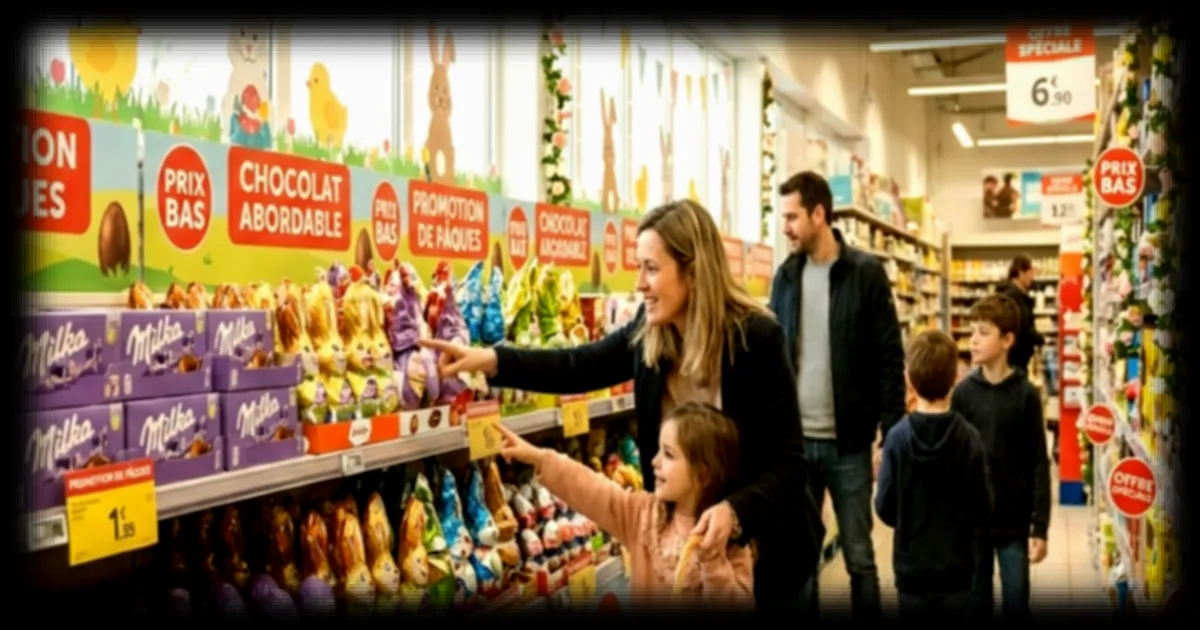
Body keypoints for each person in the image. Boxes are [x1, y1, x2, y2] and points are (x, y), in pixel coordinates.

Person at [421, 199, 824, 613]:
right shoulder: (650, 335)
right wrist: (493, 360)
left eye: (652, 268)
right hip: (681, 555)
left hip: (765, 555)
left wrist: (734, 512)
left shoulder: (756, 341)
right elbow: (579, 365)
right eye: (638, 267)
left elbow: (789, 466)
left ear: (694, 271)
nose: (639, 284)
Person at [769, 171, 906, 621]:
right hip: (794, 447)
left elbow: (890, 357)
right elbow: (775, 356)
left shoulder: (866, 274)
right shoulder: (785, 277)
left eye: (792, 216)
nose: (785, 226)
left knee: (860, 559)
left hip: (848, 444)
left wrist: (890, 433)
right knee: (798, 561)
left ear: (819, 214)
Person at [495, 402, 754, 607]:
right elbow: (593, 489)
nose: (654, 462)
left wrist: (712, 561)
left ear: (703, 474)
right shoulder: (644, 516)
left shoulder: (730, 544)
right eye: (658, 450)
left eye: (669, 454)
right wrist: (540, 458)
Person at [875, 330, 993, 620]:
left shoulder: (897, 438)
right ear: (955, 378)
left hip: (912, 570)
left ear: (909, 380)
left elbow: (885, 506)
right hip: (957, 569)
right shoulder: (969, 437)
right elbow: (984, 505)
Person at [951, 294, 1051, 622]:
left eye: (982, 332)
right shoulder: (963, 394)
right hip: (973, 522)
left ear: (1007, 340)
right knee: (975, 600)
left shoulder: (1025, 394)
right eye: (971, 332)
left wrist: (1040, 527)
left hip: (1015, 523)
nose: (973, 340)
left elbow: (1039, 461)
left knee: (1016, 599)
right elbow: (955, 460)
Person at [995, 254, 1046, 374]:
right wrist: (1041, 339)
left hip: (1016, 356)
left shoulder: (1016, 294)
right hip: (1015, 357)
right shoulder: (1014, 296)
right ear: (1020, 273)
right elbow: (1023, 327)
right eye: (1030, 272)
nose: (1033, 277)